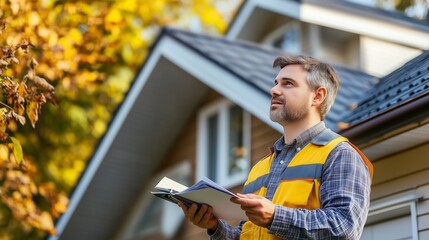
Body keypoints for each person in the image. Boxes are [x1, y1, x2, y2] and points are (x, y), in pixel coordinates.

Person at [178, 55, 373, 239]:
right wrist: (214, 226)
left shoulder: (339, 154)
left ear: (317, 96)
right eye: (276, 83)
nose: (274, 90)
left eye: (288, 84)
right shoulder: (259, 169)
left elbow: (344, 227)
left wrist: (274, 216)